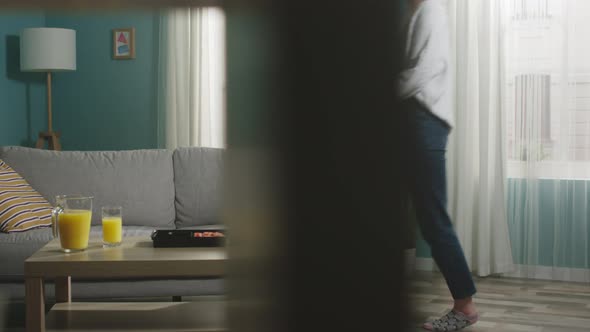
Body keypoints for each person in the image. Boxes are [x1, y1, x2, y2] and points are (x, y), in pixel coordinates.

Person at [398, 1, 479, 331]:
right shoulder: (413, 11)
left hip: (424, 121)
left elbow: (425, 68)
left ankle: (465, 306)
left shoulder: (431, 9)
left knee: (433, 219)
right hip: (410, 122)